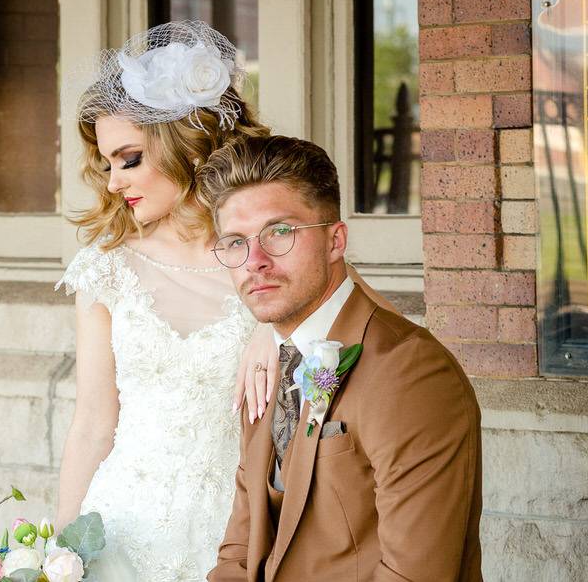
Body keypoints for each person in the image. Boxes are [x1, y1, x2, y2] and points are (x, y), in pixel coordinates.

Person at [55, 21, 395, 581]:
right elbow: (93, 421)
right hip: (121, 528)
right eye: (108, 162)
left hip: (244, 530)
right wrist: (60, 553)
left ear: (181, 144)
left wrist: (273, 323)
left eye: (129, 158)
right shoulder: (106, 269)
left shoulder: (279, 258)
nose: (114, 182)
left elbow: (373, 328)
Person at [197, 135, 483, 582]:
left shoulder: (409, 371)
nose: (254, 260)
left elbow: (414, 575)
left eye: (280, 232)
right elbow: (241, 547)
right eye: (235, 242)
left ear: (335, 241)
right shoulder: (267, 363)